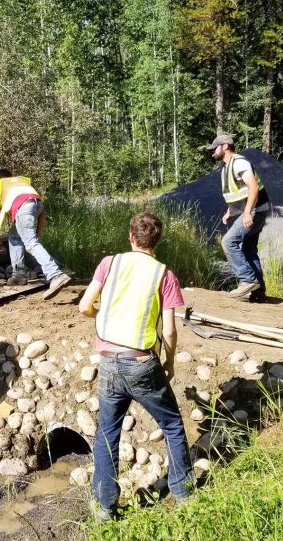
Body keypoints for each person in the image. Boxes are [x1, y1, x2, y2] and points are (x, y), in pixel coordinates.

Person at [79, 212, 194, 519]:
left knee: (106, 433)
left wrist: (101, 317)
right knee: (171, 425)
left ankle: (105, 507)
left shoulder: (109, 263)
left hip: (108, 363)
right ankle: (183, 494)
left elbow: (84, 305)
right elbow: (169, 330)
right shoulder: (164, 275)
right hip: (141, 362)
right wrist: (169, 363)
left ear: (130, 237)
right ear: (158, 241)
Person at [0, 169, 71, 299]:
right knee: (15, 236)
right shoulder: (20, 183)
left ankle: (56, 274)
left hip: (23, 209)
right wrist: (36, 234)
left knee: (31, 243)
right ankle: (19, 274)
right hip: (37, 204)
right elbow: (42, 215)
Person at [207, 134, 270, 301]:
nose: (212, 151)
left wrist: (248, 212)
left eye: (215, 147)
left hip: (256, 209)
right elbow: (237, 193)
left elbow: (253, 187)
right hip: (255, 209)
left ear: (225, 146)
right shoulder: (227, 167)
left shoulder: (239, 162)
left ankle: (247, 280)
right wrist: (230, 211)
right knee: (249, 249)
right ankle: (258, 292)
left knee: (228, 242)